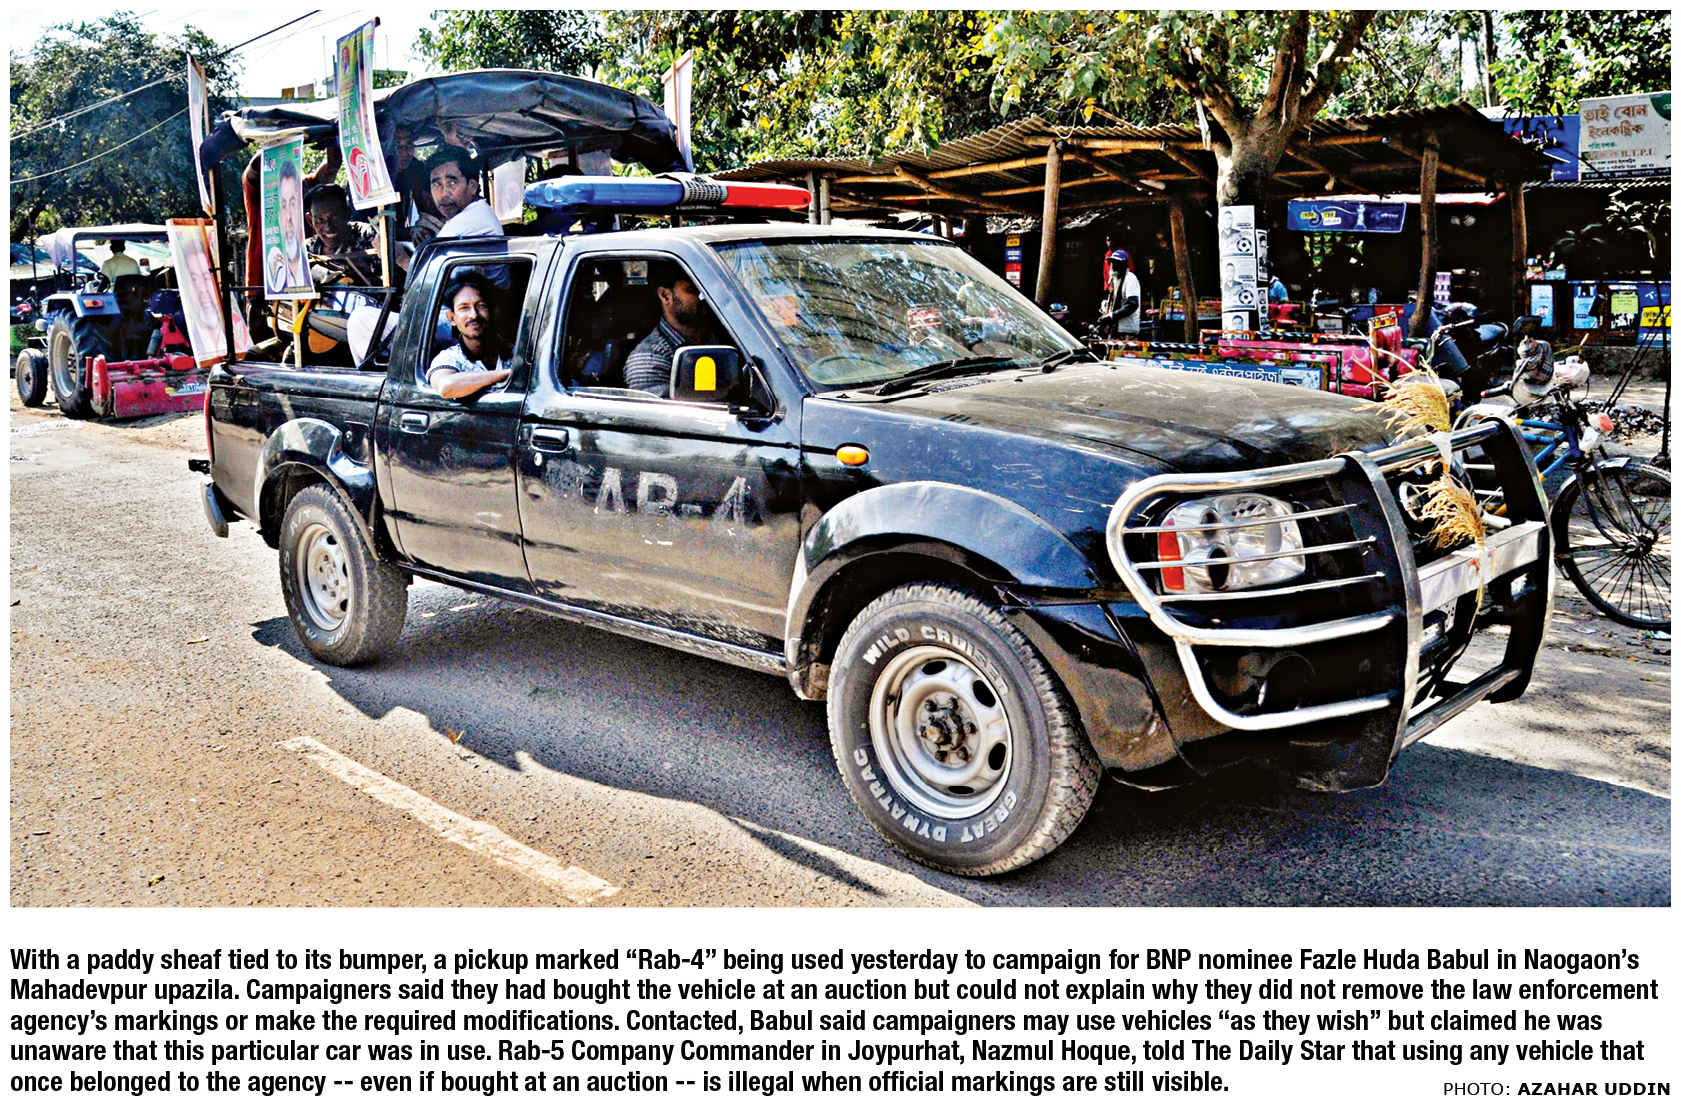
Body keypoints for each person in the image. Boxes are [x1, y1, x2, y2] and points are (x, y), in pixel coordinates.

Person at [623, 262, 719, 396]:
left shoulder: (724, 334)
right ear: (665, 295)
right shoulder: (648, 359)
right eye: (693, 290)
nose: (705, 297)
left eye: (707, 289)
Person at [423, 271, 510, 399]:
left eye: (481, 306)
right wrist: (508, 374)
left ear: (495, 313)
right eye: (464, 308)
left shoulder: (516, 354)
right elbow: (446, 387)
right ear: (452, 318)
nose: (474, 315)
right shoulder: (450, 358)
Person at [304, 184, 378, 283]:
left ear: (347, 213)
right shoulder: (306, 250)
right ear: (310, 220)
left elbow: (391, 280)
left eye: (335, 217)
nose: (328, 227)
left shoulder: (368, 236)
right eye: (319, 220)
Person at [428, 145, 503, 239]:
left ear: (472, 186)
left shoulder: (469, 221)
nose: (444, 194)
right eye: (437, 184)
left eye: (452, 183)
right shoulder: (476, 213)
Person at [267, 155, 311, 292]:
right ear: (279, 215)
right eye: (284, 205)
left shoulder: (312, 262)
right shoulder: (275, 279)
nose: (288, 217)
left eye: (292, 204)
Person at [1103, 249, 1141, 337]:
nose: (1113, 265)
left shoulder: (1130, 278)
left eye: (1116, 263)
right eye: (1112, 262)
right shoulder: (1114, 279)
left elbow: (1132, 304)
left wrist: (1113, 315)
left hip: (1126, 330)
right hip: (1115, 329)